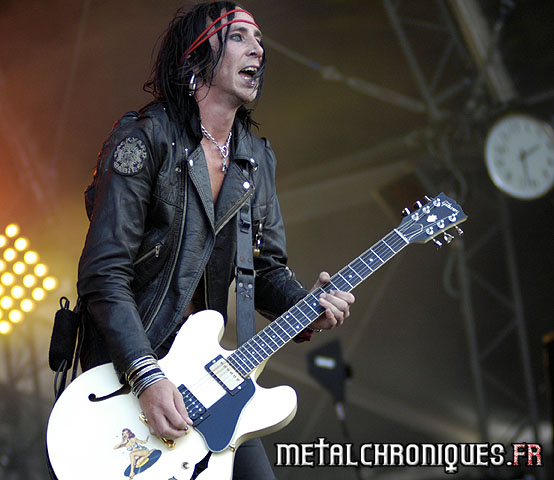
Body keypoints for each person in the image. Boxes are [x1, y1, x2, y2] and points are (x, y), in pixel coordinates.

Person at [76, 2, 355, 478]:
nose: (258, 50)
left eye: (260, 40)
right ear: (198, 56)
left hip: (208, 380)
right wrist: (146, 376)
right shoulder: (144, 141)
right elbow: (104, 275)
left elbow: (265, 270)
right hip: (129, 377)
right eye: (240, 37)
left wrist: (308, 305)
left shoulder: (255, 159)